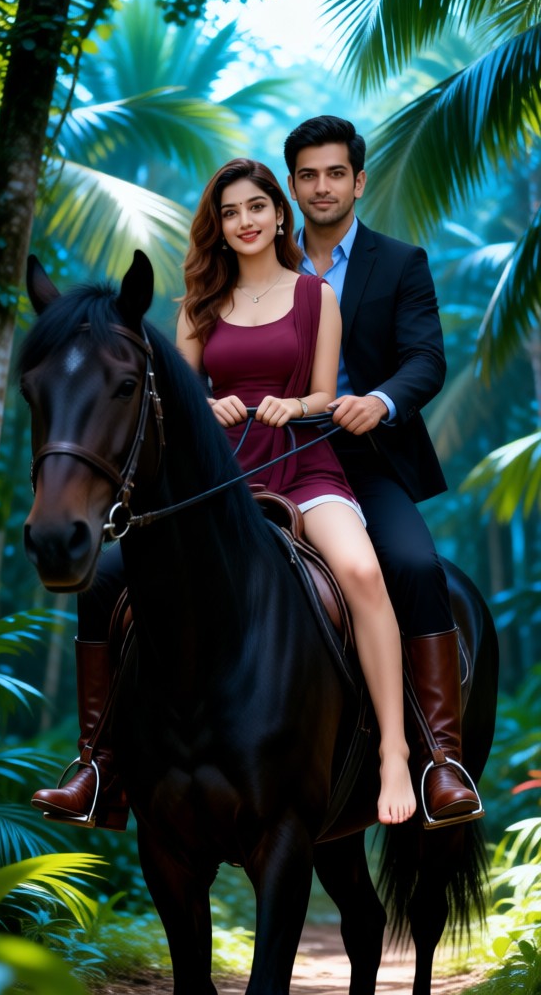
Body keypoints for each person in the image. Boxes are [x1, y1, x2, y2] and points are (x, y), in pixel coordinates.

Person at [175, 157, 416, 826]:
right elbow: (179, 394)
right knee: (130, 584)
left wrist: (292, 403)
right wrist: (209, 404)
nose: (244, 221)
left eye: (256, 207)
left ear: (280, 214)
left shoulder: (316, 296)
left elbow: (323, 392)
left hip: (303, 467)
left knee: (364, 571)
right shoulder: (197, 305)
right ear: (217, 228)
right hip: (217, 482)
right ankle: (101, 759)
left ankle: (394, 751)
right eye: (229, 213)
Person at [282, 114, 483, 827]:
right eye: (308, 174)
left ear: (358, 180)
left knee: (417, 566)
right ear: (292, 184)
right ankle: (108, 761)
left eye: (336, 172)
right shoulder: (261, 257)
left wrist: (382, 400)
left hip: (365, 460)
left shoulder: (401, 263)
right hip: (264, 462)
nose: (322, 186)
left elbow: (427, 358)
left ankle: (439, 760)